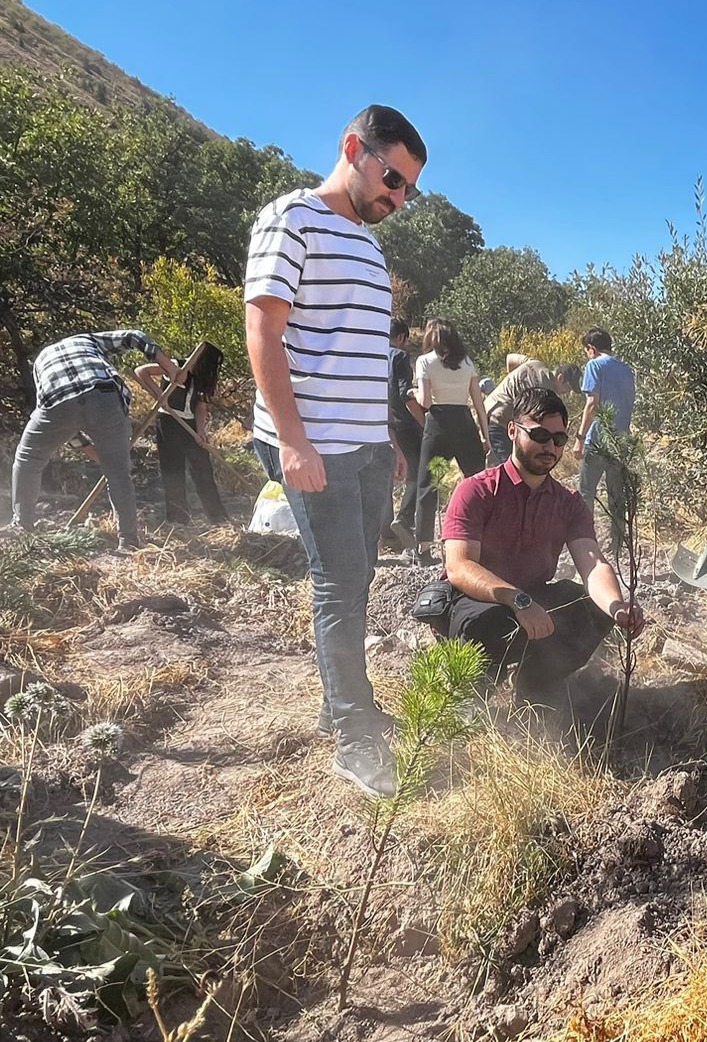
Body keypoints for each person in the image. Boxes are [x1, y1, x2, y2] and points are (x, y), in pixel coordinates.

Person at [244, 103, 424, 798]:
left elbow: (359, 354)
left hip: (366, 447)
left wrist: (385, 437)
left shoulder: (370, 246)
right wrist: (292, 440)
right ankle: (354, 737)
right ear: (354, 147)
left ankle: (340, 704)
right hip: (312, 445)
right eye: (392, 178)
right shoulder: (291, 219)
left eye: (408, 189)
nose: (398, 199)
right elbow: (263, 330)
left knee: (356, 581)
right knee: (340, 586)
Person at [439, 385, 645, 708]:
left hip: (533, 597)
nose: (550, 446)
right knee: (487, 622)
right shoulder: (475, 491)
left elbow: (592, 563)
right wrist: (518, 601)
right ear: (512, 430)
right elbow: (459, 566)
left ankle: (535, 688)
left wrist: (617, 607)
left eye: (559, 439)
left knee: (595, 612)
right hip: (479, 602)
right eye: (539, 435)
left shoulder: (569, 504)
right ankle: (471, 699)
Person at [14, 329, 163, 550]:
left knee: (28, 460)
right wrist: (170, 368)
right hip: (103, 396)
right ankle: (128, 542)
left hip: (57, 404)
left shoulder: (40, 361)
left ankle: (22, 531)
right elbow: (134, 336)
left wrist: (87, 448)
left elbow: (59, 415)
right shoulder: (86, 340)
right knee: (118, 473)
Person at [409, 318, 489, 560]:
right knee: (477, 484)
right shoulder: (466, 363)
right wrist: (486, 436)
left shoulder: (424, 361)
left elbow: (424, 402)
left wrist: (413, 391)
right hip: (465, 424)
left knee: (429, 484)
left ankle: (423, 549)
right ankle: (484, 541)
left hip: (439, 426)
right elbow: (478, 403)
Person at [135, 341, 226, 525]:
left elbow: (201, 406)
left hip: (190, 424)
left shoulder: (205, 377)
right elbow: (140, 371)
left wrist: (201, 431)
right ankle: (178, 519)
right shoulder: (176, 366)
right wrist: (160, 397)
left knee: (203, 470)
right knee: (173, 470)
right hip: (168, 422)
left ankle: (218, 518)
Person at [571, 328, 637, 553]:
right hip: (621, 440)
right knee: (616, 495)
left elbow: (592, 403)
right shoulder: (627, 370)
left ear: (592, 349)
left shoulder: (594, 365)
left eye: (586, 351)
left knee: (586, 492)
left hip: (598, 438)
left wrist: (580, 437)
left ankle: (584, 541)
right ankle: (618, 543)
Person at [485, 357, 578, 466]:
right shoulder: (545, 393)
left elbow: (510, 359)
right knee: (507, 468)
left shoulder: (535, 363)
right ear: (561, 378)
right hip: (500, 422)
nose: (567, 392)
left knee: (495, 466)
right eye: (568, 388)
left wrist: (513, 382)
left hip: (489, 408)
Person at [385, 318, 426, 556]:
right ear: (401, 337)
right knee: (418, 473)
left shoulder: (374, 355)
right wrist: (424, 422)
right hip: (404, 425)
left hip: (380, 425)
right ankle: (403, 519)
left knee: (385, 479)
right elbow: (404, 394)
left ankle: (386, 535)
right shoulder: (399, 357)